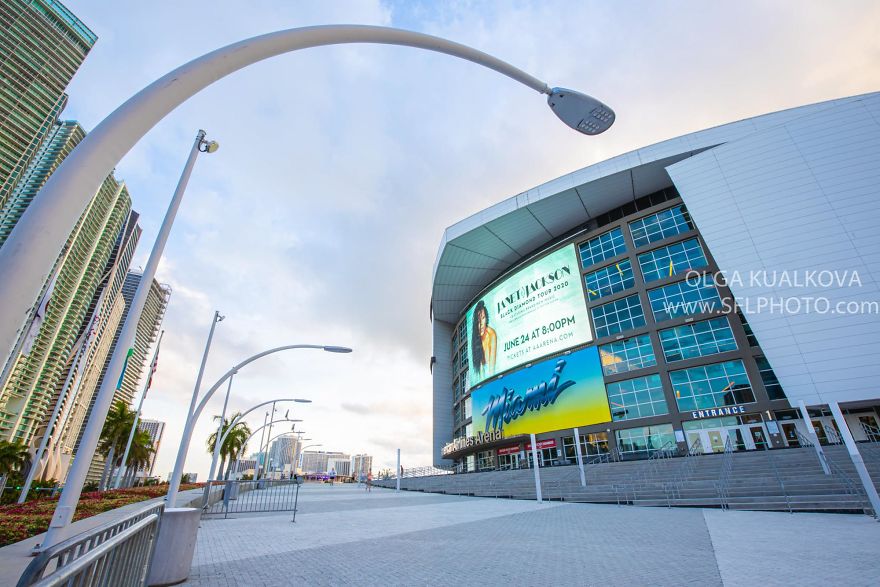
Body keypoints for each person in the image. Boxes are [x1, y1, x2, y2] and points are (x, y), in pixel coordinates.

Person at [471, 300, 497, 378]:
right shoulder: (475, 337)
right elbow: (479, 369)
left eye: (483, 318)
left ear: (486, 318)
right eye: (478, 321)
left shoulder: (491, 334)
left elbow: (492, 369)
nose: (481, 324)